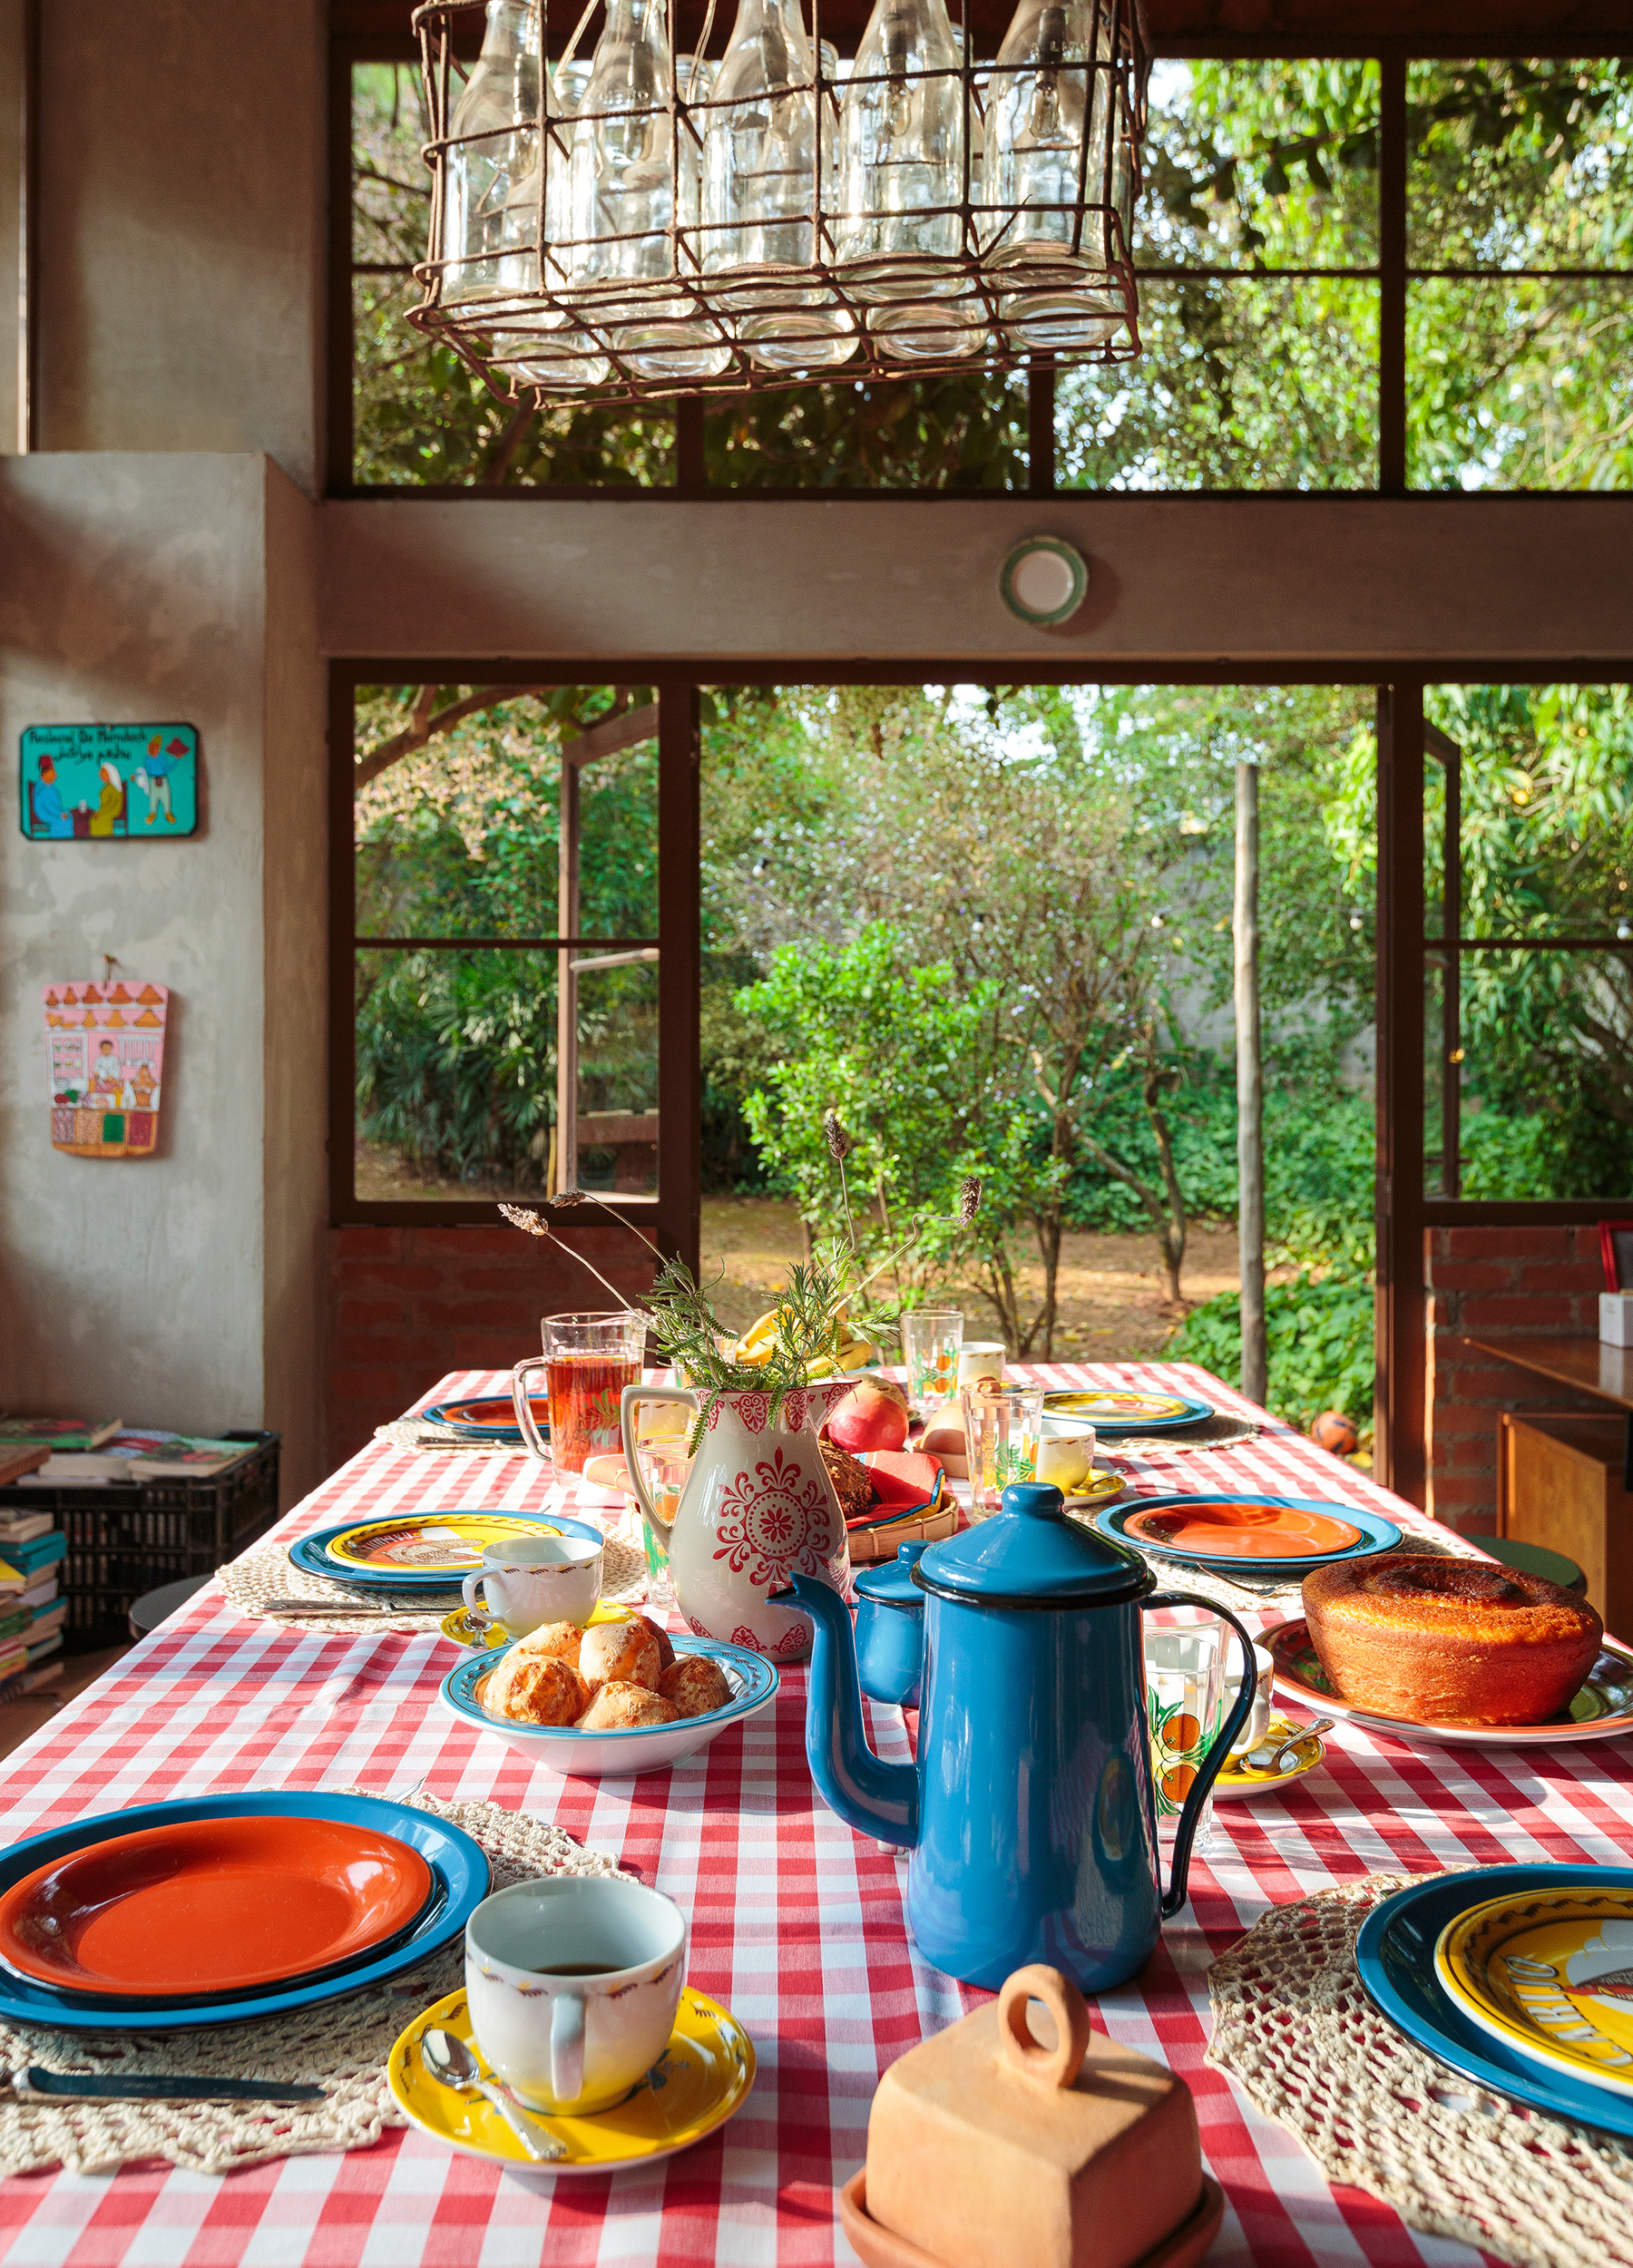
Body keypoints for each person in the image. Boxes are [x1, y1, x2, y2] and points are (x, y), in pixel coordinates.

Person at [32, 756, 73, 839]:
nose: (55, 775)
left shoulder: (50, 787)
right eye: (52, 771)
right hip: (46, 815)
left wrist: (64, 811)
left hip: (52, 812)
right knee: (64, 821)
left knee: (69, 816)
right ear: (45, 773)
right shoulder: (43, 789)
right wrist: (59, 815)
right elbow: (45, 808)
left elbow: (54, 805)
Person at [89, 761, 122, 837]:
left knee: (100, 819)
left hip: (113, 809)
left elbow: (113, 805)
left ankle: (106, 836)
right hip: (105, 809)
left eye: (103, 772)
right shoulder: (106, 788)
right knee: (93, 818)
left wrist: (101, 813)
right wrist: (100, 812)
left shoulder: (115, 788)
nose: (100, 775)